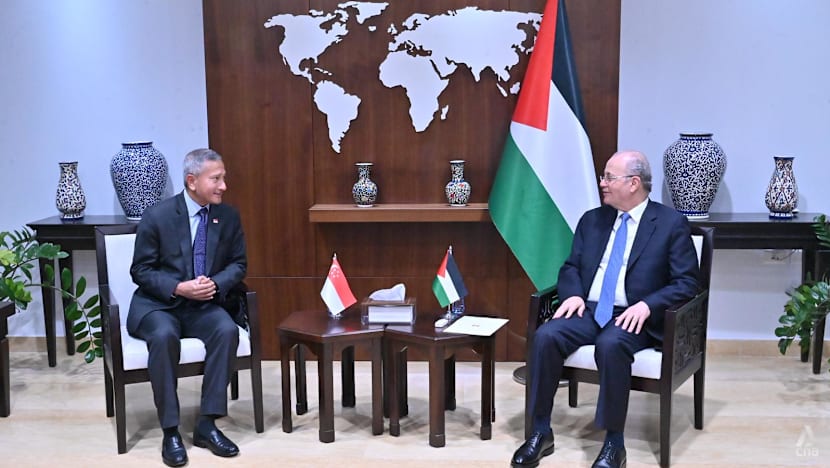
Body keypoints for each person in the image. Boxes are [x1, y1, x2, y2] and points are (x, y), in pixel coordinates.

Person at [511, 151, 700, 468]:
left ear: (634, 183)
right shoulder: (592, 220)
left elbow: (687, 283)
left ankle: (614, 444)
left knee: (611, 344)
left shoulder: (670, 224)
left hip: (635, 316)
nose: (602, 183)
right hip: (590, 310)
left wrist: (648, 305)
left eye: (609, 177)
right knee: (546, 336)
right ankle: (540, 432)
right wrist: (573, 294)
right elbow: (571, 267)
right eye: (603, 176)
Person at [128, 148, 247, 467]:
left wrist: (215, 284)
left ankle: (207, 424)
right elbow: (140, 270)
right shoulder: (158, 216)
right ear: (192, 181)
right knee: (163, 337)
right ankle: (170, 431)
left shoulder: (228, 216)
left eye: (224, 178)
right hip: (160, 305)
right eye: (216, 179)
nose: (223, 186)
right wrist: (179, 287)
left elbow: (238, 264)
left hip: (203, 304)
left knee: (226, 330)